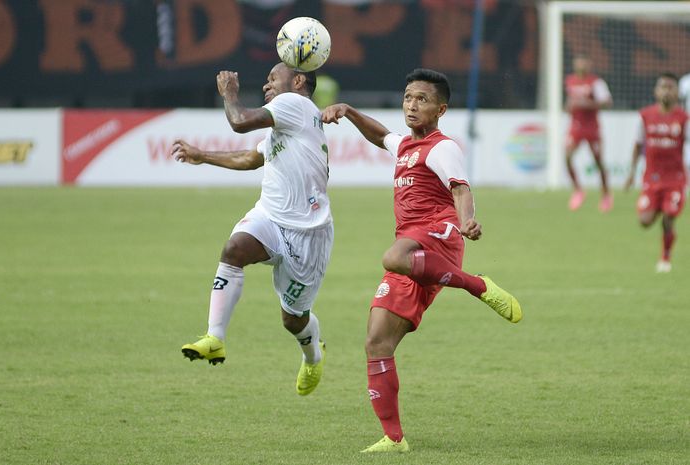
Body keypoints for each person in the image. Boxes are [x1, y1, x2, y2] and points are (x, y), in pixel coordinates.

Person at [322, 68, 522, 453]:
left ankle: (477, 285)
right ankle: (394, 439)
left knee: (392, 256)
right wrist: (347, 111)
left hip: (439, 236)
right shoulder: (404, 146)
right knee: (376, 341)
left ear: (440, 109)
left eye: (422, 100)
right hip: (412, 249)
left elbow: (460, 188)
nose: (412, 105)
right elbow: (381, 135)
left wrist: (466, 221)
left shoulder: (442, 147)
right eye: (408, 97)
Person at [172, 62, 333, 396]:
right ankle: (215, 337)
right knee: (234, 249)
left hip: (308, 232)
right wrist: (202, 155)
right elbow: (251, 158)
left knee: (293, 319)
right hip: (271, 217)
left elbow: (239, 121)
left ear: (298, 81)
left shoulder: (295, 105)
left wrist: (230, 92)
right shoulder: (287, 120)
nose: (266, 85)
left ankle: (314, 354)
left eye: (273, 78)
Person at [625, 72, 689, 273]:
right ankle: (662, 205)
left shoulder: (684, 118)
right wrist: (631, 173)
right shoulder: (645, 116)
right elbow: (637, 146)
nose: (666, 91)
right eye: (662, 86)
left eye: (670, 87)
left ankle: (665, 257)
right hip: (652, 178)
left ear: (677, 92)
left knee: (670, 217)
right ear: (655, 90)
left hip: (675, 179)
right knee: (644, 221)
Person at [564, 54, 613, 212]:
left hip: (592, 128)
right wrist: (568, 107)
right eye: (578, 61)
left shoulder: (596, 82)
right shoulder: (570, 81)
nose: (581, 64)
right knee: (567, 157)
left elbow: (607, 102)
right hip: (576, 126)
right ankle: (578, 190)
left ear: (589, 64)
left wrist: (587, 104)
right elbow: (570, 102)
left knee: (598, 162)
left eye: (584, 61)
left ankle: (606, 195)